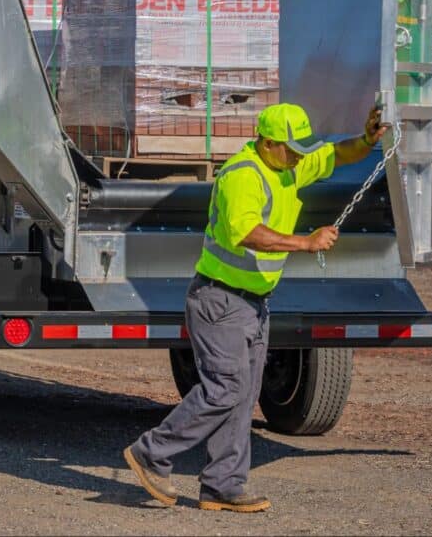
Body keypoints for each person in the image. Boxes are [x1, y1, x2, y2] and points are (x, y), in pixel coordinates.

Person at [124, 102, 386, 511]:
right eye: (293, 149)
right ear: (268, 142)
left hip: (251, 303)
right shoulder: (243, 176)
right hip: (219, 301)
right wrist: (306, 242)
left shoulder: (288, 165)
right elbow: (247, 232)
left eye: (303, 149)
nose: (301, 156)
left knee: (244, 396)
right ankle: (150, 454)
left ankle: (222, 487)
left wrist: (367, 140)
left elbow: (336, 154)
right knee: (224, 390)